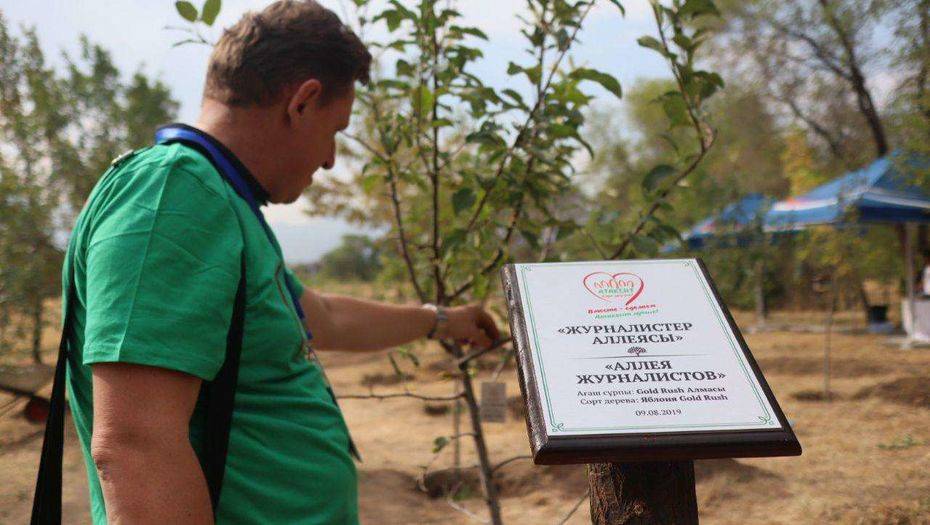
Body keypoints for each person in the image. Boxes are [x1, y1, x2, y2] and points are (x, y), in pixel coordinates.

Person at [62, 2, 500, 523]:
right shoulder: (172, 197)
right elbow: (136, 445)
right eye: (336, 130)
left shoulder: (222, 203)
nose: (331, 159)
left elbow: (321, 316)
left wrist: (442, 321)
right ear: (303, 102)